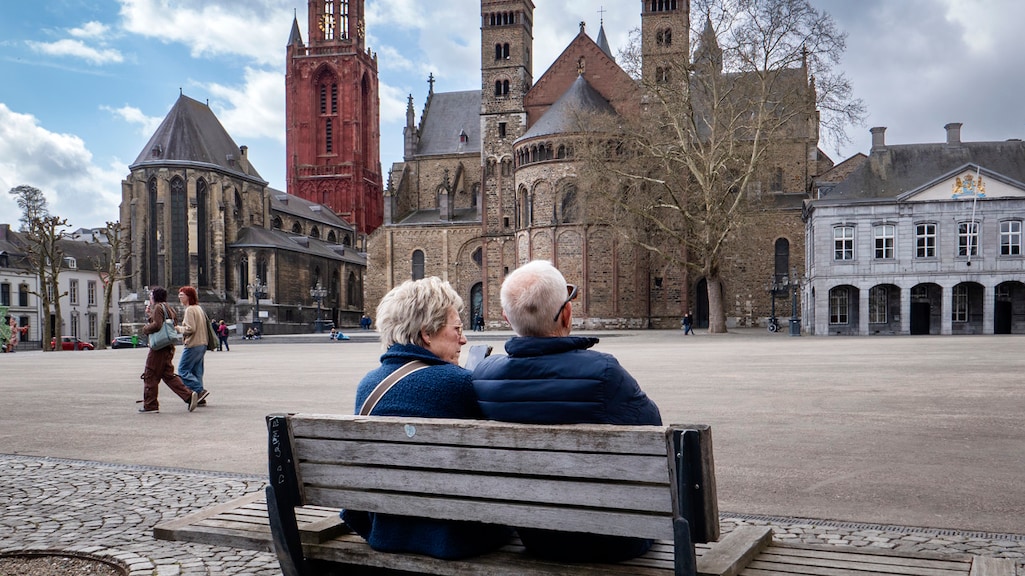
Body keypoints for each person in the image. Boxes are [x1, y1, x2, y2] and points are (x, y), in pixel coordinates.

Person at [472, 260, 662, 563]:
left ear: (507, 319)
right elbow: (652, 431)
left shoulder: (483, 376)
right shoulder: (604, 373)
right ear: (567, 313)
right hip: (615, 538)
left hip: (537, 536)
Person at [342, 277, 512, 560]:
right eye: (457, 329)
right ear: (427, 334)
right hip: (458, 537)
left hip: (386, 533)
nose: (463, 339)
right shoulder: (461, 384)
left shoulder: (368, 385)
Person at [139, 287, 198, 414]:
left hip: (159, 347)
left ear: (155, 297)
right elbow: (170, 323)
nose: (150, 298)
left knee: (150, 374)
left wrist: (145, 329)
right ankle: (189, 396)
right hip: (168, 345)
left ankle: (150, 405)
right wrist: (150, 315)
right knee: (168, 375)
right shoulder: (169, 308)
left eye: (151, 295)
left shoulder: (158, 307)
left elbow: (157, 325)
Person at [175, 286, 211, 406]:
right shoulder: (198, 308)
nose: (179, 297)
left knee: (182, 370)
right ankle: (200, 398)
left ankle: (199, 391)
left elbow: (190, 329)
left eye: (182, 295)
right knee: (197, 371)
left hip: (193, 344)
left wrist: (178, 328)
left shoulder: (189, 310)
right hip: (202, 343)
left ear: (188, 296)